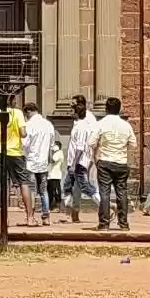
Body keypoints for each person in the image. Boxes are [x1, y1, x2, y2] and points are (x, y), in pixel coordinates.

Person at [88, 96, 137, 231]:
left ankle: (104, 223)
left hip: (104, 161)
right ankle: (123, 223)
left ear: (106, 109)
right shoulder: (126, 125)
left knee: (104, 192)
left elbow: (91, 143)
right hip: (121, 162)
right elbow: (133, 144)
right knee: (122, 192)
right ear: (120, 109)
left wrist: (101, 147)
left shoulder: (101, 124)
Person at [0, 97, 33, 224]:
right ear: (12, 101)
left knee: (3, 183)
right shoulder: (18, 113)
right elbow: (23, 134)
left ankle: (4, 220)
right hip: (15, 152)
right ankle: (30, 218)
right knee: (24, 182)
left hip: (0, 151)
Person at [62, 94, 98, 223]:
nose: (70, 106)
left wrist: (84, 160)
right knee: (75, 186)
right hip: (77, 159)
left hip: (81, 159)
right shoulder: (78, 120)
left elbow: (84, 144)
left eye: (73, 104)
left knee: (80, 186)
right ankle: (74, 213)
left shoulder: (86, 120)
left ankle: (106, 205)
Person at [22, 101, 56, 227]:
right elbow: (52, 143)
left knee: (31, 190)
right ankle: (46, 217)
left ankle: (30, 217)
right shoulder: (48, 124)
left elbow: (24, 144)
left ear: (28, 111)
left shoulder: (28, 125)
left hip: (31, 161)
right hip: (43, 162)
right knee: (44, 191)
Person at [47, 139, 64, 211]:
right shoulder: (55, 153)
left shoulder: (59, 153)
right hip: (50, 175)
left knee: (56, 191)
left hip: (55, 175)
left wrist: (49, 151)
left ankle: (58, 205)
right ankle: (49, 206)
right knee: (49, 191)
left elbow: (52, 160)